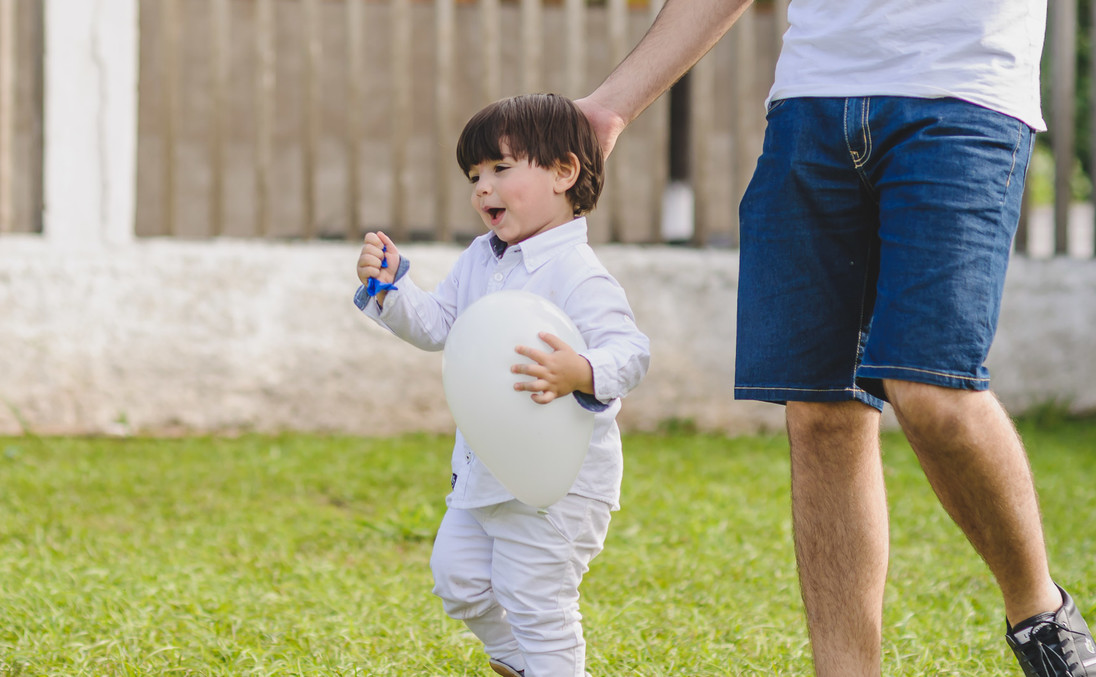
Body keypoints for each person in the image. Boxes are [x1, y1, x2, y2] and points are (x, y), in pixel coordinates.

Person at [574, 1, 1095, 675]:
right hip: (812, 98)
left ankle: (1043, 618)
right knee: (821, 410)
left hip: (963, 95)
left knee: (932, 388)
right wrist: (613, 105)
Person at [353, 93, 650, 677]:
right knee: (458, 578)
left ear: (564, 172)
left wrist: (582, 371)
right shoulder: (480, 260)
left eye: (500, 168)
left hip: (560, 481)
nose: (482, 188)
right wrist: (391, 293)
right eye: (474, 175)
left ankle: (546, 663)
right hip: (488, 467)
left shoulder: (576, 273)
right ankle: (521, 661)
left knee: (536, 599)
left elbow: (630, 352)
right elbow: (442, 327)